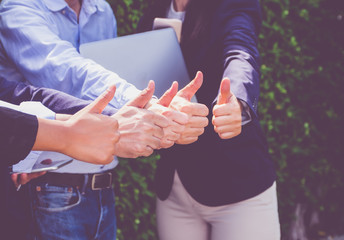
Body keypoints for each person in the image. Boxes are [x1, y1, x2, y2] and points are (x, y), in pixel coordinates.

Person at [0, 0, 209, 238]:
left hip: (103, 180)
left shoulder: (101, 10)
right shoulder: (19, 8)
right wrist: (144, 104)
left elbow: (109, 72)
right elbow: (65, 72)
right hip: (49, 183)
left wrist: (150, 111)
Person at [138, 0, 281, 239]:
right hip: (174, 188)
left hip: (237, 187)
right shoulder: (156, 7)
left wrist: (239, 100)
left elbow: (241, 51)